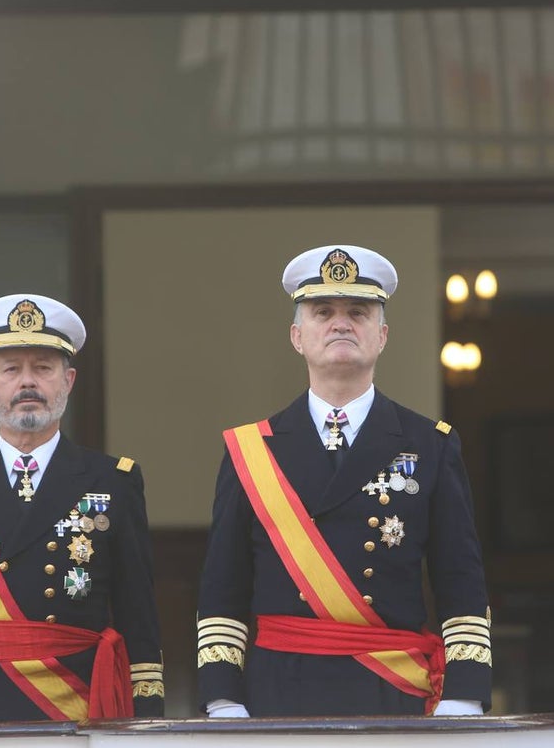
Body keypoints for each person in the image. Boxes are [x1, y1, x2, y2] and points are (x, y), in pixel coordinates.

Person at [197, 246, 492, 718]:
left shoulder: (431, 444)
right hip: (277, 692)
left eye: (358, 312)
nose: (341, 323)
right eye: (323, 312)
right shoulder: (251, 449)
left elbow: (460, 579)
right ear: (297, 336)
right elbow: (222, 588)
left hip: (390, 689)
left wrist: (464, 692)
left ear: (382, 335)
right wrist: (222, 696)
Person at [0, 294, 164, 722]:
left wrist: (147, 722)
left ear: (68, 380)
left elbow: (139, 621)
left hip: (78, 716)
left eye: (43, 368)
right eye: (11, 370)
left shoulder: (114, 481)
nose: (27, 383)